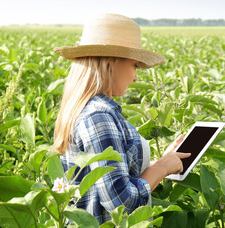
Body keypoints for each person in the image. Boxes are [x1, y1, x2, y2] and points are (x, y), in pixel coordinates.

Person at [53, 13, 191, 224]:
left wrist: (163, 162)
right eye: (134, 65)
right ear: (111, 62)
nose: (136, 76)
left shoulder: (88, 109)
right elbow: (121, 203)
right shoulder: (99, 116)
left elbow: (107, 181)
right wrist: (161, 168)